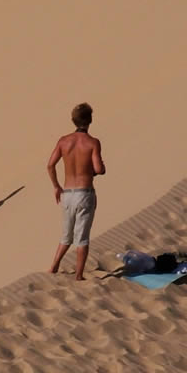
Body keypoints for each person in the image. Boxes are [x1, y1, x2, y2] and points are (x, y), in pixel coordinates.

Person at [47, 102, 106, 280]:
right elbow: (99, 168)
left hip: (67, 194)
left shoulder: (63, 141)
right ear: (90, 120)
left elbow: (50, 165)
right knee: (82, 238)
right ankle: (79, 275)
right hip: (84, 193)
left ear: (73, 120)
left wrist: (56, 186)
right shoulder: (92, 142)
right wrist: (98, 168)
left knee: (66, 235)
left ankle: (54, 266)